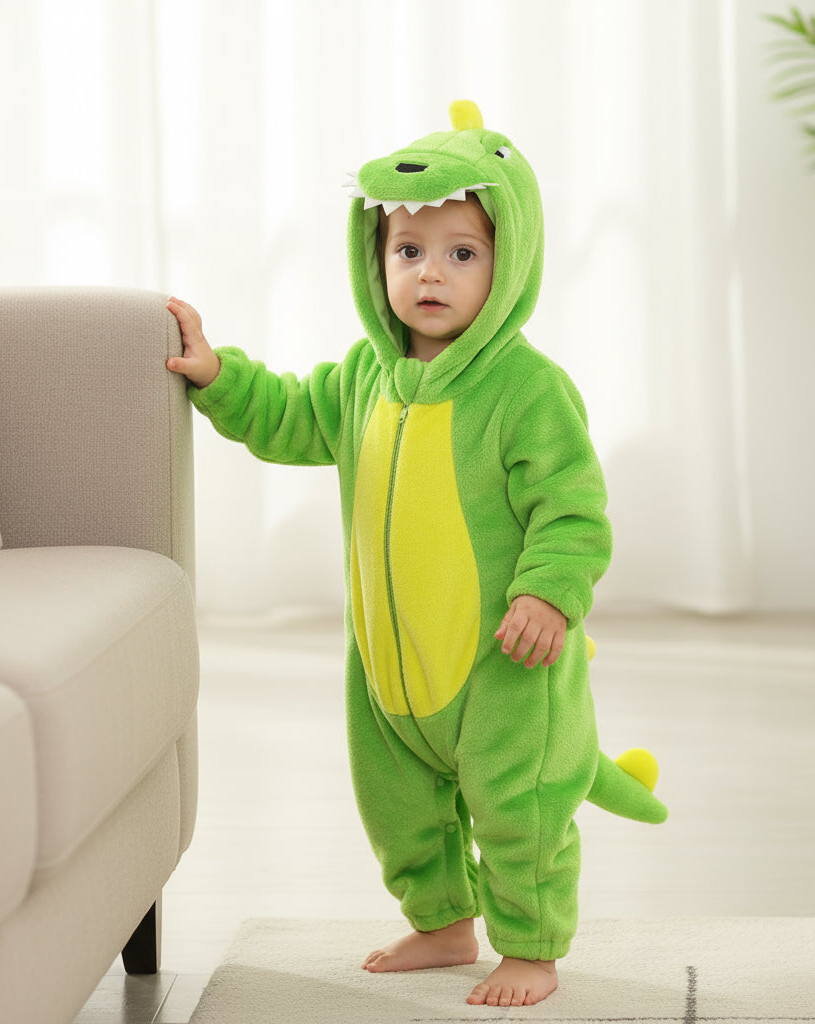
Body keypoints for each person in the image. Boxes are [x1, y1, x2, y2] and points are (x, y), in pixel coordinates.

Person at [166, 100, 667, 1009]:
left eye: (461, 253)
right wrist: (214, 373)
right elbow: (283, 415)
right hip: (390, 668)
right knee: (398, 807)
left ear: (506, 262)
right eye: (409, 252)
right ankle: (441, 924)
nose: (430, 273)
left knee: (517, 810)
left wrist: (549, 596)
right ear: (377, 263)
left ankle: (531, 945)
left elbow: (573, 507)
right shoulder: (364, 376)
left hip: (505, 662)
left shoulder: (527, 390)